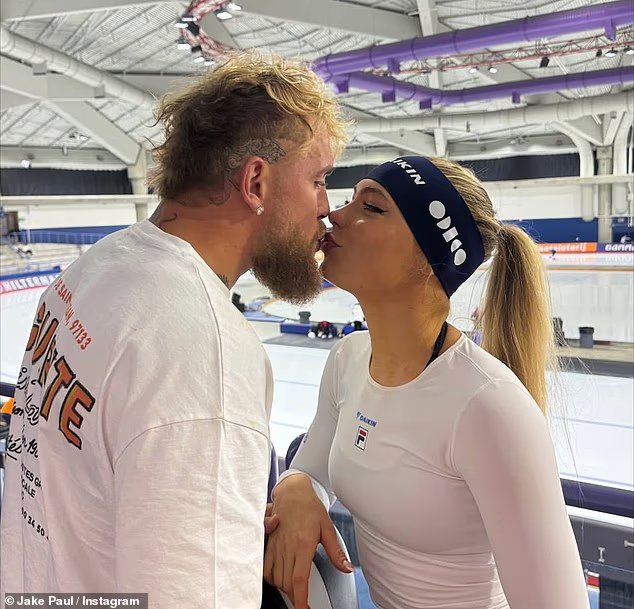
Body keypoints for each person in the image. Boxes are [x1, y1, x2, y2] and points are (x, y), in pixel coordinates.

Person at [0, 52, 348, 608]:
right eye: (319, 180)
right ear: (256, 182)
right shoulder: (204, 353)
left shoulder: (96, 267)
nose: (327, 209)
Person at [264, 156, 589, 609]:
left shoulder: (486, 406)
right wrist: (296, 486)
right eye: (349, 200)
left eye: (371, 207)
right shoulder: (348, 359)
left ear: (430, 258)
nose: (334, 215)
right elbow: (312, 470)